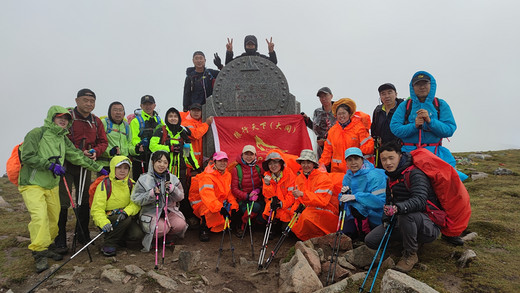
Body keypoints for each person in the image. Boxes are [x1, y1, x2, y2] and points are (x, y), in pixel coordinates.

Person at [19, 106, 104, 273]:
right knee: (40, 217)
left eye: (66, 118)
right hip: (32, 183)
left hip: (51, 184)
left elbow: (77, 155)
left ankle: (47, 245)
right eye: (60, 117)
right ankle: (39, 253)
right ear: (52, 118)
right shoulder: (37, 133)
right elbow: (27, 156)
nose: (63, 120)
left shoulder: (63, 139)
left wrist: (98, 167)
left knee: (53, 217)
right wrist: (49, 165)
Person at [364, 142, 441, 273]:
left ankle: (410, 254)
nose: (388, 162)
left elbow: (420, 200)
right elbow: (389, 201)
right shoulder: (390, 178)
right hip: (403, 221)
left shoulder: (415, 174)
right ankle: (409, 240)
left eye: (391, 158)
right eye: (383, 159)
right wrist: (386, 219)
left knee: (406, 214)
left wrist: (398, 208)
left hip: (428, 225)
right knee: (370, 241)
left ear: (400, 156)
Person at [55, 89, 109, 253]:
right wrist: (79, 153)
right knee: (63, 201)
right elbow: (60, 137)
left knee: (84, 198)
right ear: (77, 100)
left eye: (92, 101)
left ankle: (82, 234)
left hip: (85, 165)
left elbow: (103, 142)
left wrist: (95, 152)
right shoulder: (68, 117)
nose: (89, 104)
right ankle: (60, 238)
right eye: (85, 100)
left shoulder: (96, 121)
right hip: (66, 165)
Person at [149, 107, 200, 223]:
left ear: (179, 118)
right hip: (164, 170)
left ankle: (182, 219)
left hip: (180, 171)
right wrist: (169, 148)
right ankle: (163, 219)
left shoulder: (183, 133)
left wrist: (196, 167)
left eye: (175, 116)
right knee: (164, 195)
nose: (173, 118)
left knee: (181, 195)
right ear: (167, 118)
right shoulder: (161, 131)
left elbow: (188, 153)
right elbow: (152, 146)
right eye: (170, 116)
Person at [131, 150, 187, 252]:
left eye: (165, 162)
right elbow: (136, 198)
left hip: (169, 211)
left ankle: (169, 236)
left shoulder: (173, 179)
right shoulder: (143, 180)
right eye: (159, 161)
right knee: (161, 228)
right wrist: (151, 194)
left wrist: (172, 189)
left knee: (180, 224)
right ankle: (152, 238)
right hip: (151, 213)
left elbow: (181, 196)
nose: (162, 165)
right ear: (153, 162)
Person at [91, 156, 142, 256]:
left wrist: (126, 212)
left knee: (137, 235)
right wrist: (103, 223)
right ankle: (109, 244)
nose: (122, 171)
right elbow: (97, 209)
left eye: (125, 168)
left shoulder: (131, 184)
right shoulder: (104, 184)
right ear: (113, 168)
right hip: (109, 218)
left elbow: (136, 204)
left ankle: (119, 238)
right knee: (125, 220)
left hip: (124, 215)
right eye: (119, 168)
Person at [291, 150, 339, 241]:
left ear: (313, 164)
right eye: (303, 162)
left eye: (308, 162)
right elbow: (298, 200)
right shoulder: (299, 178)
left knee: (307, 216)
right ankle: (310, 240)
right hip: (310, 209)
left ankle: (319, 238)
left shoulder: (323, 178)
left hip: (327, 210)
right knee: (293, 218)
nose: (305, 165)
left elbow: (322, 201)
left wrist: (303, 195)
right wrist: (295, 211)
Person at [340, 147, 387, 241]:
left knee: (357, 207)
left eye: (356, 159)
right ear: (346, 162)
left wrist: (356, 197)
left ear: (362, 159)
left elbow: (381, 203)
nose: (353, 162)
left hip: (377, 217)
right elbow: (343, 199)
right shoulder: (347, 177)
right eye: (350, 160)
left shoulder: (374, 175)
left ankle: (364, 235)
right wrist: (342, 195)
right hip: (356, 216)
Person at [319, 98, 374, 173]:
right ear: (336, 115)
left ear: (349, 114)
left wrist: (356, 155)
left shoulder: (359, 128)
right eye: (339, 114)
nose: (341, 116)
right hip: (337, 172)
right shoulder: (332, 131)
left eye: (344, 113)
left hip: (357, 170)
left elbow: (369, 147)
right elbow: (327, 152)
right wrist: (320, 166)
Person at [195, 151, 239, 242]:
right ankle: (204, 229)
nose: (223, 163)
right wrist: (220, 208)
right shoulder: (207, 176)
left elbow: (229, 193)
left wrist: (234, 205)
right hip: (205, 202)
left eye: (225, 161)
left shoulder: (228, 175)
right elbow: (208, 196)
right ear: (214, 162)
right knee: (208, 210)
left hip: (220, 203)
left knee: (233, 209)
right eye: (220, 161)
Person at [230, 145, 264, 236]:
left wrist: (257, 190)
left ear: (255, 156)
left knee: (265, 210)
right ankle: (242, 224)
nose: (249, 156)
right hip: (243, 200)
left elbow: (262, 185)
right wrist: (247, 196)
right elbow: (234, 189)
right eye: (246, 154)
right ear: (242, 155)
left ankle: (255, 223)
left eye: (251, 154)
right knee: (255, 207)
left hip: (257, 198)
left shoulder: (257, 168)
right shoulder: (237, 169)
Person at [261, 151, 296, 238]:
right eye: (270, 163)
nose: (273, 166)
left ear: (281, 163)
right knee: (269, 207)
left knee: (288, 228)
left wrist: (281, 204)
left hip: (286, 204)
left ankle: (282, 226)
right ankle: (272, 227)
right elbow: (267, 195)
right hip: (274, 204)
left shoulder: (290, 175)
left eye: (276, 162)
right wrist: (267, 184)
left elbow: (291, 196)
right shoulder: (266, 176)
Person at [130, 95, 164, 181]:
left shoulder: (159, 120)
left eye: (150, 104)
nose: (148, 106)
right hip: (141, 158)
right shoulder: (136, 121)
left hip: (156, 158)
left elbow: (164, 135)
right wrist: (139, 145)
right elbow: (134, 138)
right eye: (145, 104)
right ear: (141, 106)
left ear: (154, 105)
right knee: (140, 184)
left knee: (157, 183)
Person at [371, 83, 404, 168]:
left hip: (399, 150)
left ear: (396, 94)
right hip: (382, 151)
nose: (387, 96)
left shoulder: (403, 109)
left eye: (390, 92)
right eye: (383, 94)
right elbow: (374, 130)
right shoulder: (378, 111)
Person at [99, 102, 136, 172]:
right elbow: (98, 143)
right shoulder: (103, 123)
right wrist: (110, 151)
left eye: (120, 110)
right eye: (115, 110)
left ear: (124, 113)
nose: (118, 112)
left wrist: (136, 150)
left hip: (122, 165)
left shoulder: (126, 126)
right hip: (106, 165)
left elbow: (129, 144)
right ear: (109, 112)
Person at [302, 87, 336, 159]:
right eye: (321, 97)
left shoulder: (338, 109)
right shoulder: (317, 112)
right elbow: (315, 128)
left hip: (336, 146)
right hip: (321, 147)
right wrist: (306, 120)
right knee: (322, 167)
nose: (323, 99)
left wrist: (326, 141)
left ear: (331, 96)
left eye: (325, 96)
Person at [181, 103, 214, 169]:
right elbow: (195, 135)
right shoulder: (185, 123)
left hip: (201, 162)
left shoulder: (202, 122)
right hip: (189, 162)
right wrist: (206, 124)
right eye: (194, 110)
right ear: (190, 111)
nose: (196, 113)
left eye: (198, 110)